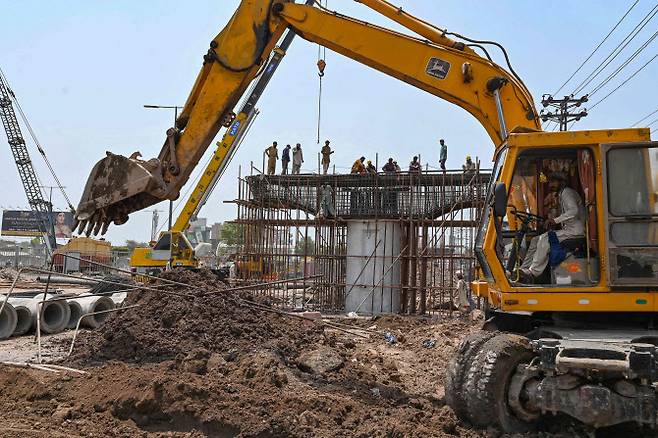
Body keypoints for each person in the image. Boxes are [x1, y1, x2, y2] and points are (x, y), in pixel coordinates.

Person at [519, 172, 586, 282]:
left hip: (575, 231)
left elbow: (574, 211)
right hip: (569, 230)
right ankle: (524, 269)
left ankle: (534, 271)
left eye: (553, 182)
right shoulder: (561, 194)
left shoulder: (566, 193)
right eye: (550, 182)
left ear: (561, 182)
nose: (551, 185)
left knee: (545, 239)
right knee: (536, 240)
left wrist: (555, 220)